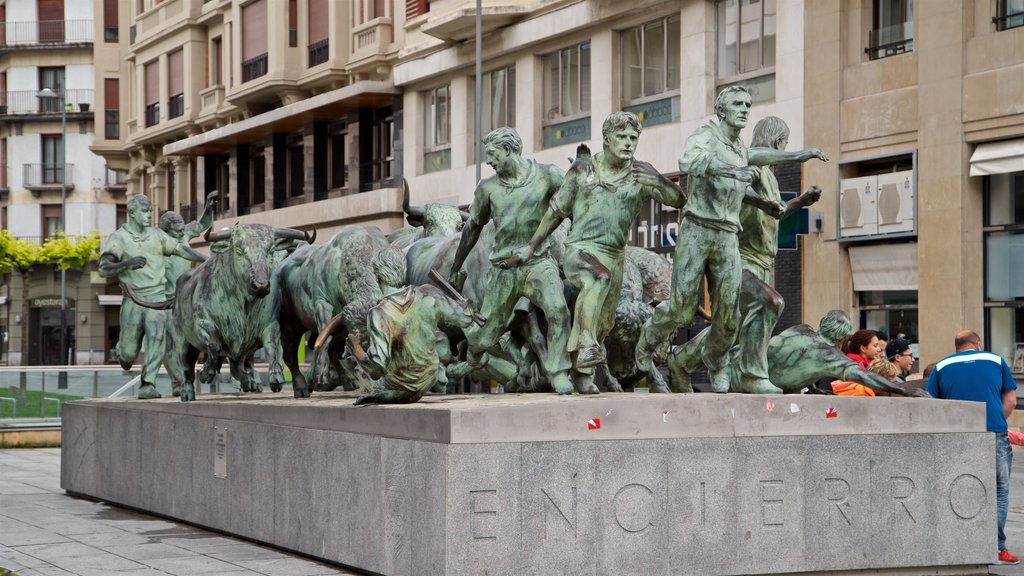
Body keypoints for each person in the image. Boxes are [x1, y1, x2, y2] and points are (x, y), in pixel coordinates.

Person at [504, 111, 686, 392]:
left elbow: (678, 201)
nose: (628, 143)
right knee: (596, 278)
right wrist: (531, 247)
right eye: (621, 137)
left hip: (616, 255)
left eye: (633, 138)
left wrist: (659, 180)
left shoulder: (640, 175)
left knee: (605, 323)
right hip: (580, 250)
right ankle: (585, 345)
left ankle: (583, 376)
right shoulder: (583, 171)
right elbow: (555, 212)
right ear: (606, 139)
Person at [635, 86, 789, 392]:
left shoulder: (741, 149)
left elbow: (743, 188)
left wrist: (766, 201)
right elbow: (687, 162)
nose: (744, 108)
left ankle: (716, 360)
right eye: (737, 104)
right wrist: (731, 171)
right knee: (681, 309)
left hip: (727, 235)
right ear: (721, 110)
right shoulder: (706, 135)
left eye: (747, 104)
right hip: (698, 230)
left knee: (730, 317)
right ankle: (648, 339)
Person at [663, 116, 827, 393]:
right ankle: (752, 374)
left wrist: (800, 202)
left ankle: (682, 360)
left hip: (764, 262)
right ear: (777, 143)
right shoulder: (748, 166)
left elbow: (774, 212)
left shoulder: (770, 178)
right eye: (783, 144)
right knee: (770, 303)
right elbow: (749, 198)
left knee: (734, 328)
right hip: (739, 259)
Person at [449, 128, 575, 394]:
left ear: (508, 150)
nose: (489, 161)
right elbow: (472, 228)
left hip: (539, 263)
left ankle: (559, 372)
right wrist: (456, 265)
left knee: (558, 311)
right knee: (485, 334)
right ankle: (472, 358)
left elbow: (574, 203)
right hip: (504, 270)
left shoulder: (548, 175)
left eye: (492, 154)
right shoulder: (487, 189)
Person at [99, 195, 206, 399]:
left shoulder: (157, 235)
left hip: (157, 300)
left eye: (150, 211)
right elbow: (104, 267)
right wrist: (126, 264)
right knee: (129, 355)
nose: (149, 216)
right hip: (133, 301)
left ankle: (147, 384)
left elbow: (181, 249)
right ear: (131, 213)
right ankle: (123, 351)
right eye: (144, 212)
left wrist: (208, 260)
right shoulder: (119, 238)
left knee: (158, 339)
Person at [926, 330, 1019, 565]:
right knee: (999, 489)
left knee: (960, 487)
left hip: (957, 437)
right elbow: (1010, 400)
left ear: (956, 346)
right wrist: (996, 420)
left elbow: (930, 405)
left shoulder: (941, 366)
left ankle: (962, 545)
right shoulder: (996, 359)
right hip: (994, 431)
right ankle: (997, 548)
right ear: (978, 344)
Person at [356, 248, 479, 405]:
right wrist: (465, 304)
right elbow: (465, 318)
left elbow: (377, 369)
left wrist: (357, 349)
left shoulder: (379, 314)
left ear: (377, 275)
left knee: (362, 377)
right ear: (404, 270)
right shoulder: (428, 293)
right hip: (429, 378)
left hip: (400, 385)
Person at [158, 190, 219, 297]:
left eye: (183, 229)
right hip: (166, 297)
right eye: (178, 231)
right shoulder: (158, 242)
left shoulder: (184, 232)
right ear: (165, 231)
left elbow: (202, 224)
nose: (182, 233)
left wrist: (208, 209)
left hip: (186, 293)